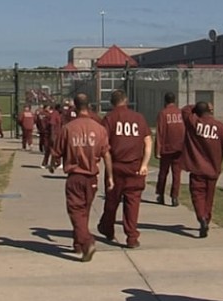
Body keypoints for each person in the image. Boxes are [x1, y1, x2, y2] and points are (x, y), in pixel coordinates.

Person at [50, 93, 114, 262]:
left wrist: (52, 164)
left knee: (76, 212)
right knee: (83, 212)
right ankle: (78, 244)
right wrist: (110, 176)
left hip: (75, 176)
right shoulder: (99, 129)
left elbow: (56, 152)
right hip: (92, 177)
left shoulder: (68, 128)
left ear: (75, 107)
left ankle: (87, 242)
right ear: (89, 106)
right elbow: (106, 154)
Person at [97, 90, 152, 249]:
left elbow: (103, 143)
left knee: (112, 201)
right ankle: (131, 236)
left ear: (112, 103)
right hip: (134, 166)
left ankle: (107, 227)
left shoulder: (109, 118)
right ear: (126, 100)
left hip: (115, 165)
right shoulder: (139, 118)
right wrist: (144, 164)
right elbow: (148, 142)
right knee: (132, 202)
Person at [181, 101, 223, 238]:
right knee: (209, 197)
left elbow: (184, 110)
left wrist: (196, 106)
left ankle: (201, 217)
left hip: (196, 168)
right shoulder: (219, 126)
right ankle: (206, 217)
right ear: (210, 111)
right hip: (213, 168)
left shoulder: (193, 122)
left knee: (197, 195)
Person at [154, 92, 185, 207]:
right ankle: (175, 197)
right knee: (176, 174)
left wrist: (158, 150)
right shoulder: (180, 113)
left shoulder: (163, 113)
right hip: (179, 148)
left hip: (167, 148)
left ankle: (161, 194)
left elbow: (160, 132)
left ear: (165, 101)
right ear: (175, 100)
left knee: (163, 173)